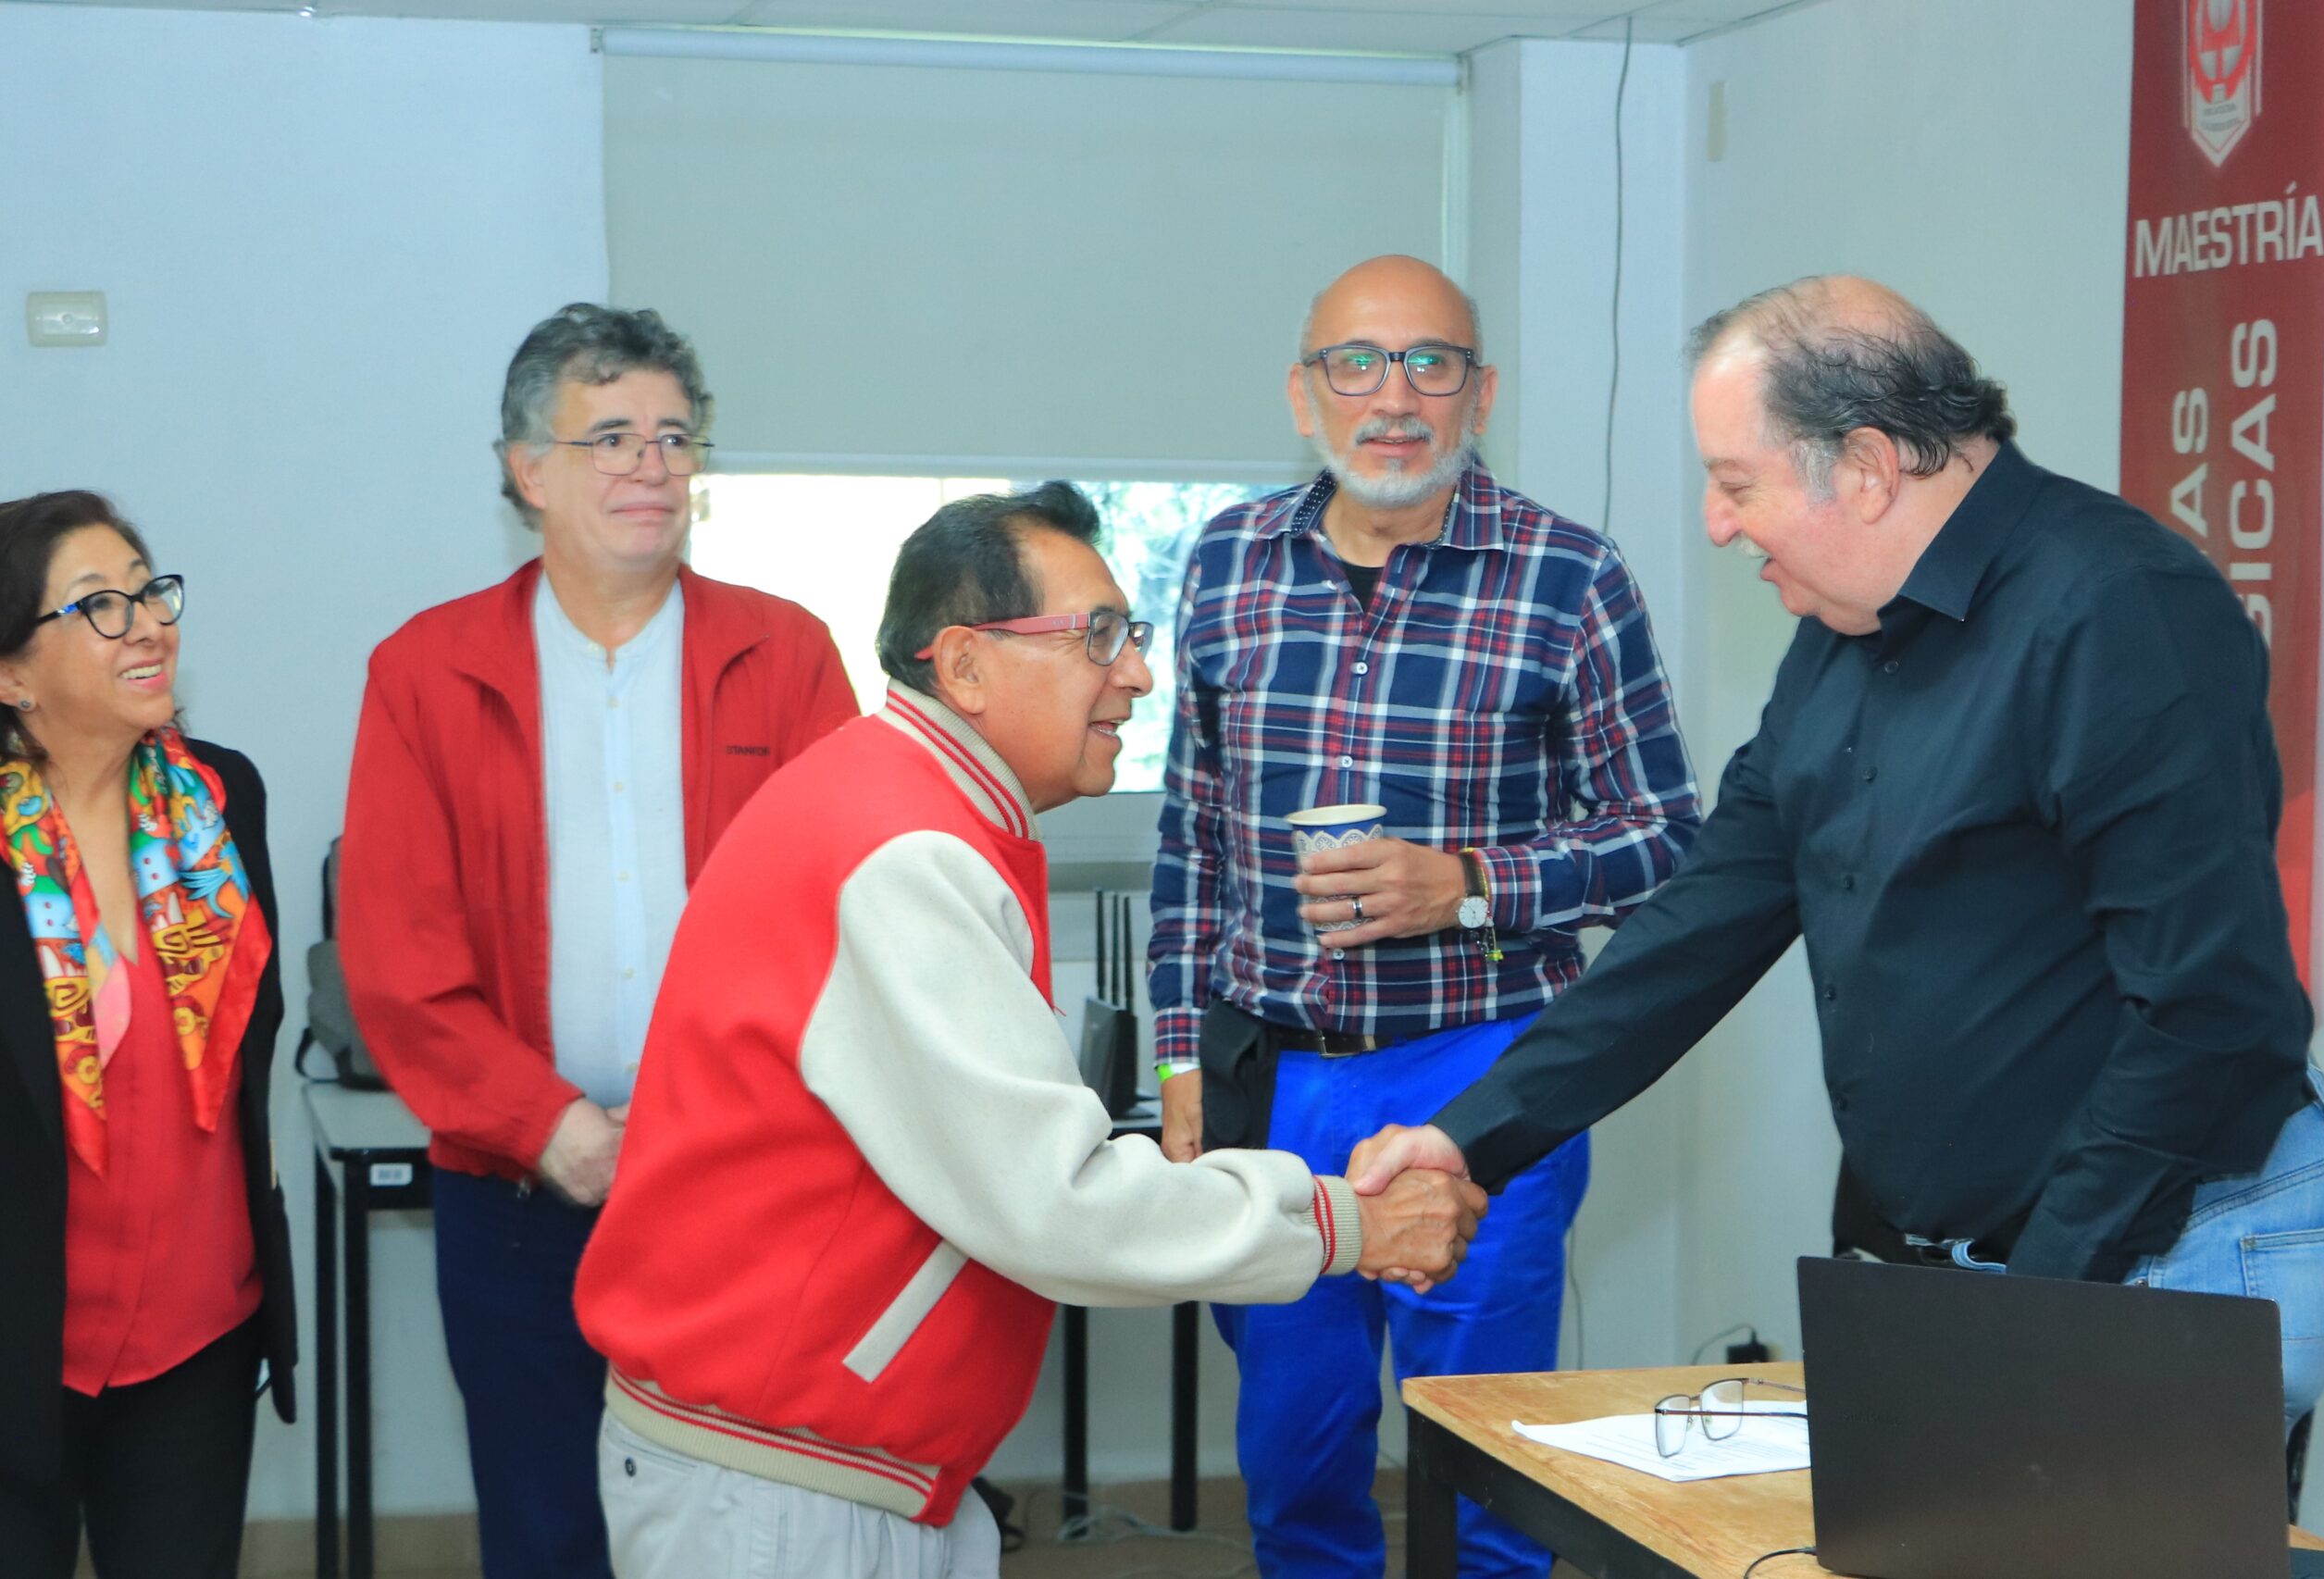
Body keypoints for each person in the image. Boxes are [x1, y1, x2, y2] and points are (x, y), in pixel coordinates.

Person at [1349, 275, 2324, 1438]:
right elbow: (1704, 917)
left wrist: (2032, 1309)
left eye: (1736, 483)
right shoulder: (1844, 631)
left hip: (2171, 1243)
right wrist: (1473, 1131)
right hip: (2000, 1255)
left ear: (1872, 467)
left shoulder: (2118, 609)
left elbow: (2206, 1006)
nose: (1715, 522)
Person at [573, 482, 1488, 1579]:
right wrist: (1344, 1223)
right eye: (1098, 636)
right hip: (782, 1487)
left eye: (1133, 635)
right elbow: (1054, 1202)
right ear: (962, 666)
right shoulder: (903, 848)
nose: (1140, 674)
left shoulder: (903, 802)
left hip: (818, 1465)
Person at [1147, 255, 1700, 1579]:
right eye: (1356, 362)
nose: (1392, 396)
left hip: (1484, 1076)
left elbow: (1677, 844)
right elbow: (1188, 845)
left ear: (1480, 393)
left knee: (1489, 1471)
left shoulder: (1569, 577)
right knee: (1293, 1463)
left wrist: (1468, 879)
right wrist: (1177, 1062)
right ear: (1303, 392)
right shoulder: (1225, 562)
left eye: (1429, 362)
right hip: (1267, 1087)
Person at [340, 304, 859, 1579]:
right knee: (550, 1526)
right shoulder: (425, 670)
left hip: (745, 1183)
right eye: (613, 435)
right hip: (521, 1193)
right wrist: (555, 1126)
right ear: (528, 468)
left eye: (677, 437)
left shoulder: (784, 653)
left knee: (752, 1525)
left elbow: (849, 917)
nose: (654, 466)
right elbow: (401, 963)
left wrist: (724, 1126)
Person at [0, 491, 294, 1578]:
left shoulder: (224, 800)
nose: (149, 623)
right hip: (22, 1342)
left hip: (197, 1340)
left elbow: (252, 1056)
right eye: (98, 605)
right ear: (11, 674)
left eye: (149, 590)